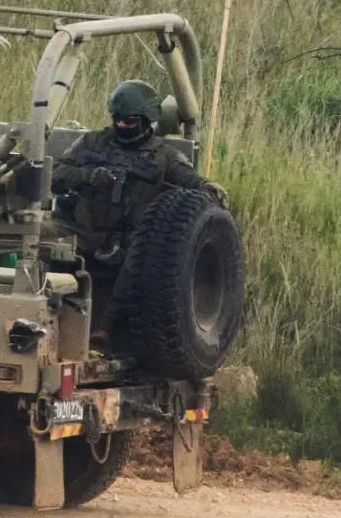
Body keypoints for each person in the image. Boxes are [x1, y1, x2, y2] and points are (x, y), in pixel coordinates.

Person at [52, 80, 226, 343]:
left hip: (130, 236)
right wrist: (89, 176)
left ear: (147, 120)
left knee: (140, 255)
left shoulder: (163, 157)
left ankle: (105, 326)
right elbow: (55, 174)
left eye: (130, 121)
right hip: (83, 228)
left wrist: (208, 188)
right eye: (118, 120)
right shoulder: (92, 142)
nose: (122, 126)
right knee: (40, 234)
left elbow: (190, 181)